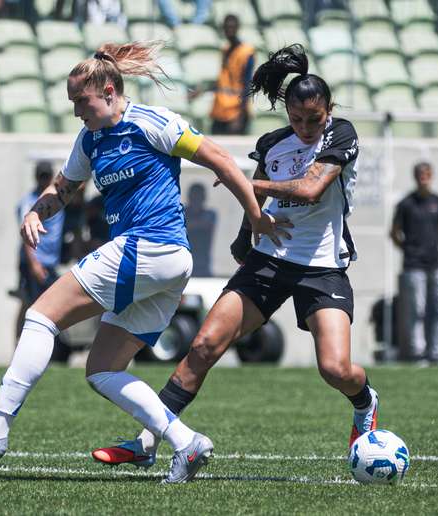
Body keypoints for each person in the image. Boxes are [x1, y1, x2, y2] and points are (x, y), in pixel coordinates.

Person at [0, 41, 285, 484]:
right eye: (73, 103)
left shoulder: (152, 122)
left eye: (82, 101)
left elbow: (219, 159)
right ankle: (186, 443)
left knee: (41, 315)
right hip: (162, 263)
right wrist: (34, 212)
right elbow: (63, 190)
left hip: (151, 247)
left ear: (110, 90)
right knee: (101, 370)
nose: (78, 111)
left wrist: (254, 215)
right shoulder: (90, 139)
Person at [91, 44, 380, 470]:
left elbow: (310, 189)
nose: (305, 128)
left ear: (329, 109)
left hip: (323, 268)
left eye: (313, 119)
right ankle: (147, 442)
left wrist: (245, 184)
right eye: (296, 119)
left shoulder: (342, 135)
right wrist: (246, 240)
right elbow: (256, 208)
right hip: (268, 262)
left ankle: (366, 402)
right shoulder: (272, 145)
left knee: (336, 369)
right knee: (204, 346)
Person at [390, 162, 438, 364]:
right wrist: (407, 249)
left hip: (436, 264)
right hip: (413, 265)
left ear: (431, 176)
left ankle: (436, 353)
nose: (424, 177)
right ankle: (417, 354)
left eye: (427, 174)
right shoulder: (405, 204)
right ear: (415, 177)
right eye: (420, 174)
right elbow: (394, 232)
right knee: (416, 312)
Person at [14, 160, 69, 361]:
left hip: (50, 262)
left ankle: (46, 352)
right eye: (42, 176)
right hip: (34, 263)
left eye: (48, 176)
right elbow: (26, 234)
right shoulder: (29, 202)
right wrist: (34, 264)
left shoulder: (56, 198)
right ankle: (20, 350)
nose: (45, 179)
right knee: (30, 305)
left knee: (47, 306)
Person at [207, 14, 255, 135]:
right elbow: (223, 80)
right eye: (226, 27)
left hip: (235, 113)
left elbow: (247, 84)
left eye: (232, 27)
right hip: (219, 110)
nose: (229, 30)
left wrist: (241, 116)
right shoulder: (225, 50)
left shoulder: (246, 52)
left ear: (237, 28)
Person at [185, 183, 217, 277]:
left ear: (203, 198)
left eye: (198, 197)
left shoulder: (210, 215)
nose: (196, 200)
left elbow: (206, 225)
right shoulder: (181, 213)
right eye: (194, 197)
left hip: (202, 266)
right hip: (184, 265)